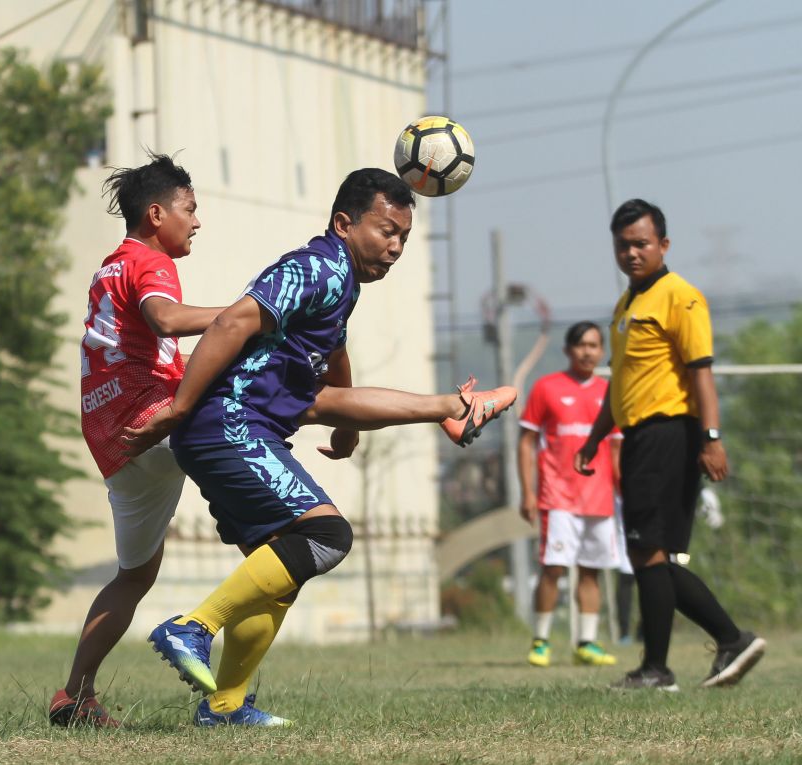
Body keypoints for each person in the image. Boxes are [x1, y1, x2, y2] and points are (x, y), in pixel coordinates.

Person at [124, 168, 516, 726]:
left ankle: (225, 706)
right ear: (343, 223)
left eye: (404, 236)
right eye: (386, 231)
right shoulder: (315, 268)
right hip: (226, 424)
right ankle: (193, 627)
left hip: (230, 430)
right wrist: (180, 407)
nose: (396, 247)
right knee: (327, 535)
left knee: (283, 568)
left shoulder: (342, 285)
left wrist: (357, 425)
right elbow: (234, 322)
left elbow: (333, 372)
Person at [49, 154, 226, 727]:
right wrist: (250, 313)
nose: (197, 221)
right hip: (153, 419)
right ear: (157, 214)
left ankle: (74, 694)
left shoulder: (109, 266)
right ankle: (218, 671)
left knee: (134, 575)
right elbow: (166, 321)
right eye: (190, 209)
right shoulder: (151, 262)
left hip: (110, 437)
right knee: (277, 497)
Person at [575, 198, 766, 691]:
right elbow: (621, 386)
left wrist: (711, 439)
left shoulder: (680, 296)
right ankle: (715, 646)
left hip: (668, 435)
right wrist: (595, 440)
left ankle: (674, 662)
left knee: (647, 552)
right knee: (651, 555)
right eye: (623, 245)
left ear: (663, 244)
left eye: (641, 243)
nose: (632, 253)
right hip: (636, 437)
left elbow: (702, 375)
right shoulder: (627, 305)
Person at [519, 321, 621, 668]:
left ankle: (586, 643)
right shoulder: (547, 388)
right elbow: (527, 441)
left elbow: (617, 450)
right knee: (553, 568)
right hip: (557, 494)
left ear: (602, 351)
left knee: (591, 570)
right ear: (568, 350)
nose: (588, 351)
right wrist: (528, 493)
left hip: (599, 498)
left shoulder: (611, 393)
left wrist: (623, 493)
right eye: (581, 345)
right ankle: (541, 640)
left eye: (594, 345)